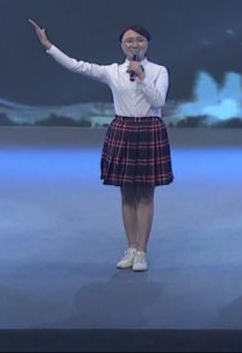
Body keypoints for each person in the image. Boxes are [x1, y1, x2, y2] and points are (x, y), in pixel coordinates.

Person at [29, 19, 172, 272]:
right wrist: (48, 46)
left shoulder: (159, 71)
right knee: (127, 194)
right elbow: (76, 66)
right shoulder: (112, 71)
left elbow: (158, 101)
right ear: (121, 45)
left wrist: (141, 77)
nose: (135, 44)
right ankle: (130, 247)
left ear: (147, 43)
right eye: (129, 40)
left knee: (146, 194)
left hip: (150, 130)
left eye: (139, 40)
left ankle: (142, 251)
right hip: (123, 129)